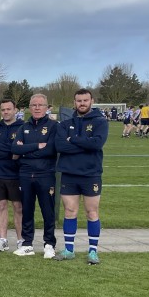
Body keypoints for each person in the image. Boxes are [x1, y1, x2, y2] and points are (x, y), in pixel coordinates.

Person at [54, 89, 109, 264]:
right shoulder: (65, 123)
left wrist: (73, 139)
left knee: (91, 212)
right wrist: (85, 143)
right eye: (79, 100)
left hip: (91, 174)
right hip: (69, 174)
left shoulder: (100, 121)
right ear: (74, 102)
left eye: (85, 100)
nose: (82, 103)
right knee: (70, 211)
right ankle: (69, 250)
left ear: (92, 101)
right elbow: (60, 146)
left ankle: (93, 252)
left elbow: (97, 144)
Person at [11, 93, 59, 258]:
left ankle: (49, 244)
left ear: (46, 107)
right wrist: (37, 146)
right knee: (27, 210)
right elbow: (14, 148)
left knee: (48, 211)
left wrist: (25, 150)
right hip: (25, 174)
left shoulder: (54, 126)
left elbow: (50, 149)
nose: (37, 108)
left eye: (40, 105)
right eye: (34, 105)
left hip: (45, 174)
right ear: (29, 108)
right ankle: (27, 244)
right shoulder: (23, 127)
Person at [0, 99, 25, 252]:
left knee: (18, 207)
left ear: (15, 110)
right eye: (3, 109)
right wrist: (11, 151)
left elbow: (22, 150)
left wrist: (1, 147)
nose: (6, 112)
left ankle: (21, 240)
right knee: (1, 206)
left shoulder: (22, 127)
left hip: (16, 174)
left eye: (9, 109)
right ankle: (3, 240)